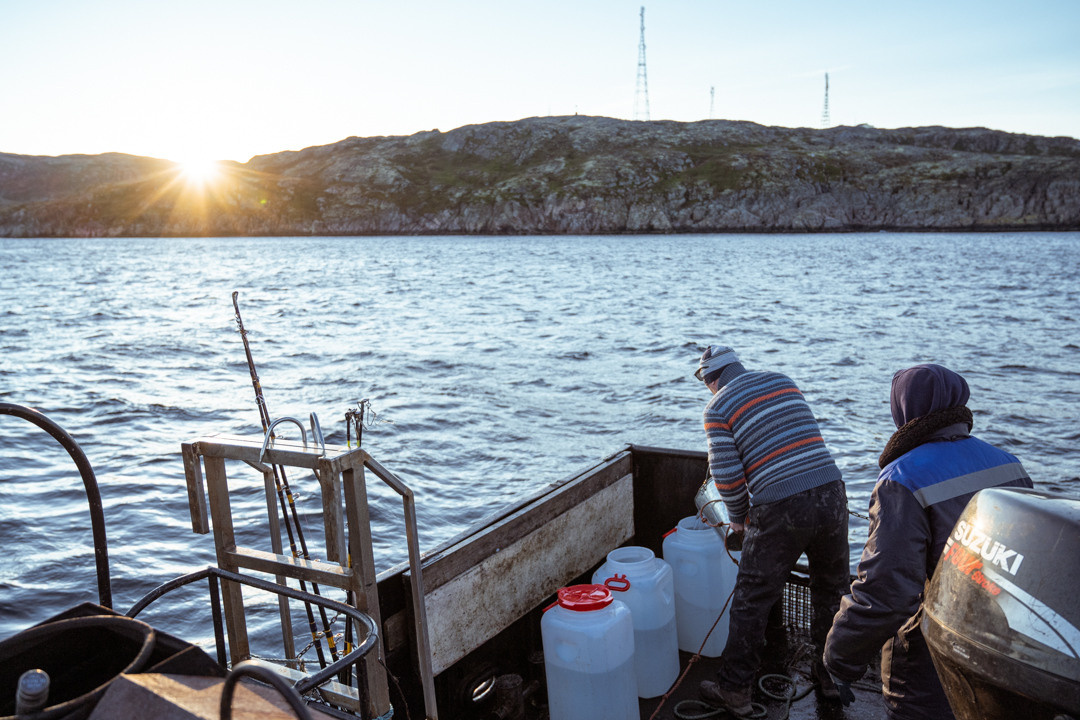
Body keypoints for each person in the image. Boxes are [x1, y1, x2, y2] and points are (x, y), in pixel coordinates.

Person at [823, 364, 1033, 720]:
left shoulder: (901, 478)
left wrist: (839, 658)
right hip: (1006, 644)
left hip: (932, 656)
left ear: (904, 410)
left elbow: (886, 592)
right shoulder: (1010, 464)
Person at [694, 344, 850, 716]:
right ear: (738, 366)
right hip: (832, 492)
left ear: (711, 379)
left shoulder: (717, 407)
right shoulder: (783, 381)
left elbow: (728, 476)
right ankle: (830, 677)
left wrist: (739, 518)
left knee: (752, 598)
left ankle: (734, 690)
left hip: (782, 505)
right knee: (832, 588)